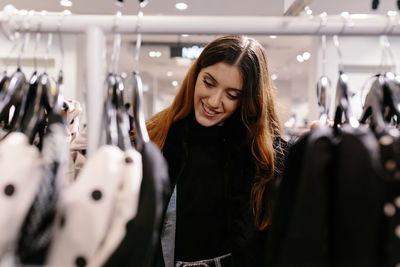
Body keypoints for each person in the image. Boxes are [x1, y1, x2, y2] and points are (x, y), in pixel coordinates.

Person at [145, 35, 287, 267]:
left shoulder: (267, 158)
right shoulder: (154, 138)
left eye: (232, 95)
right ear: (195, 76)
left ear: (249, 99)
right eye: (209, 83)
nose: (214, 101)